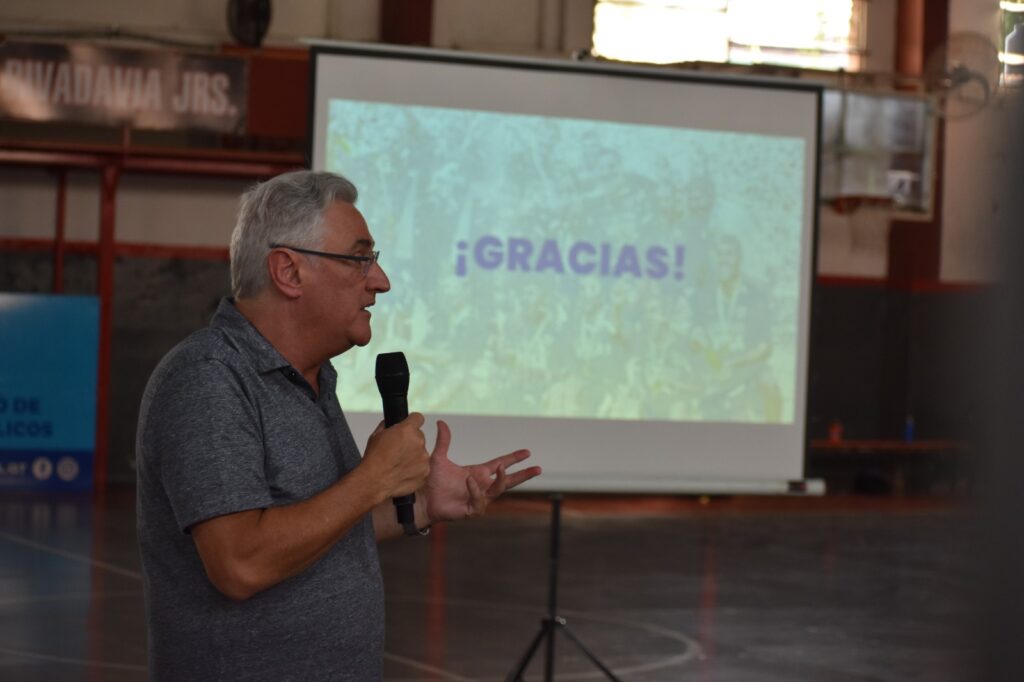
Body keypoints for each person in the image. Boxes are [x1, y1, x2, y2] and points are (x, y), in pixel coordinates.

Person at [135, 170, 541, 681]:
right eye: (359, 258)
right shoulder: (208, 379)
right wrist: (374, 478)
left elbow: (321, 530)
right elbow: (241, 564)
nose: (381, 280)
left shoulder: (314, 378)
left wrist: (419, 506)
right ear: (288, 271)